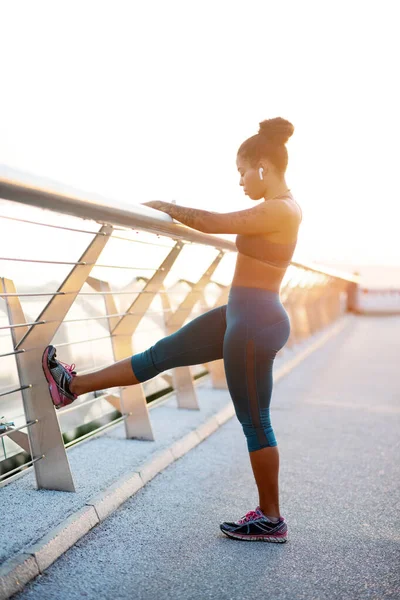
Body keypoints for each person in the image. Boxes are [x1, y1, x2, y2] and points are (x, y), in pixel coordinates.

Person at [42, 117, 302, 543]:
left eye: (241, 171)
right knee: (158, 356)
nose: (239, 181)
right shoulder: (277, 206)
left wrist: (166, 205)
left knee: (255, 422)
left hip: (255, 324)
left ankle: (272, 519)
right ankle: (70, 385)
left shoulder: (281, 208)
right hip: (241, 314)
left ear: (262, 166)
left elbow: (214, 221)